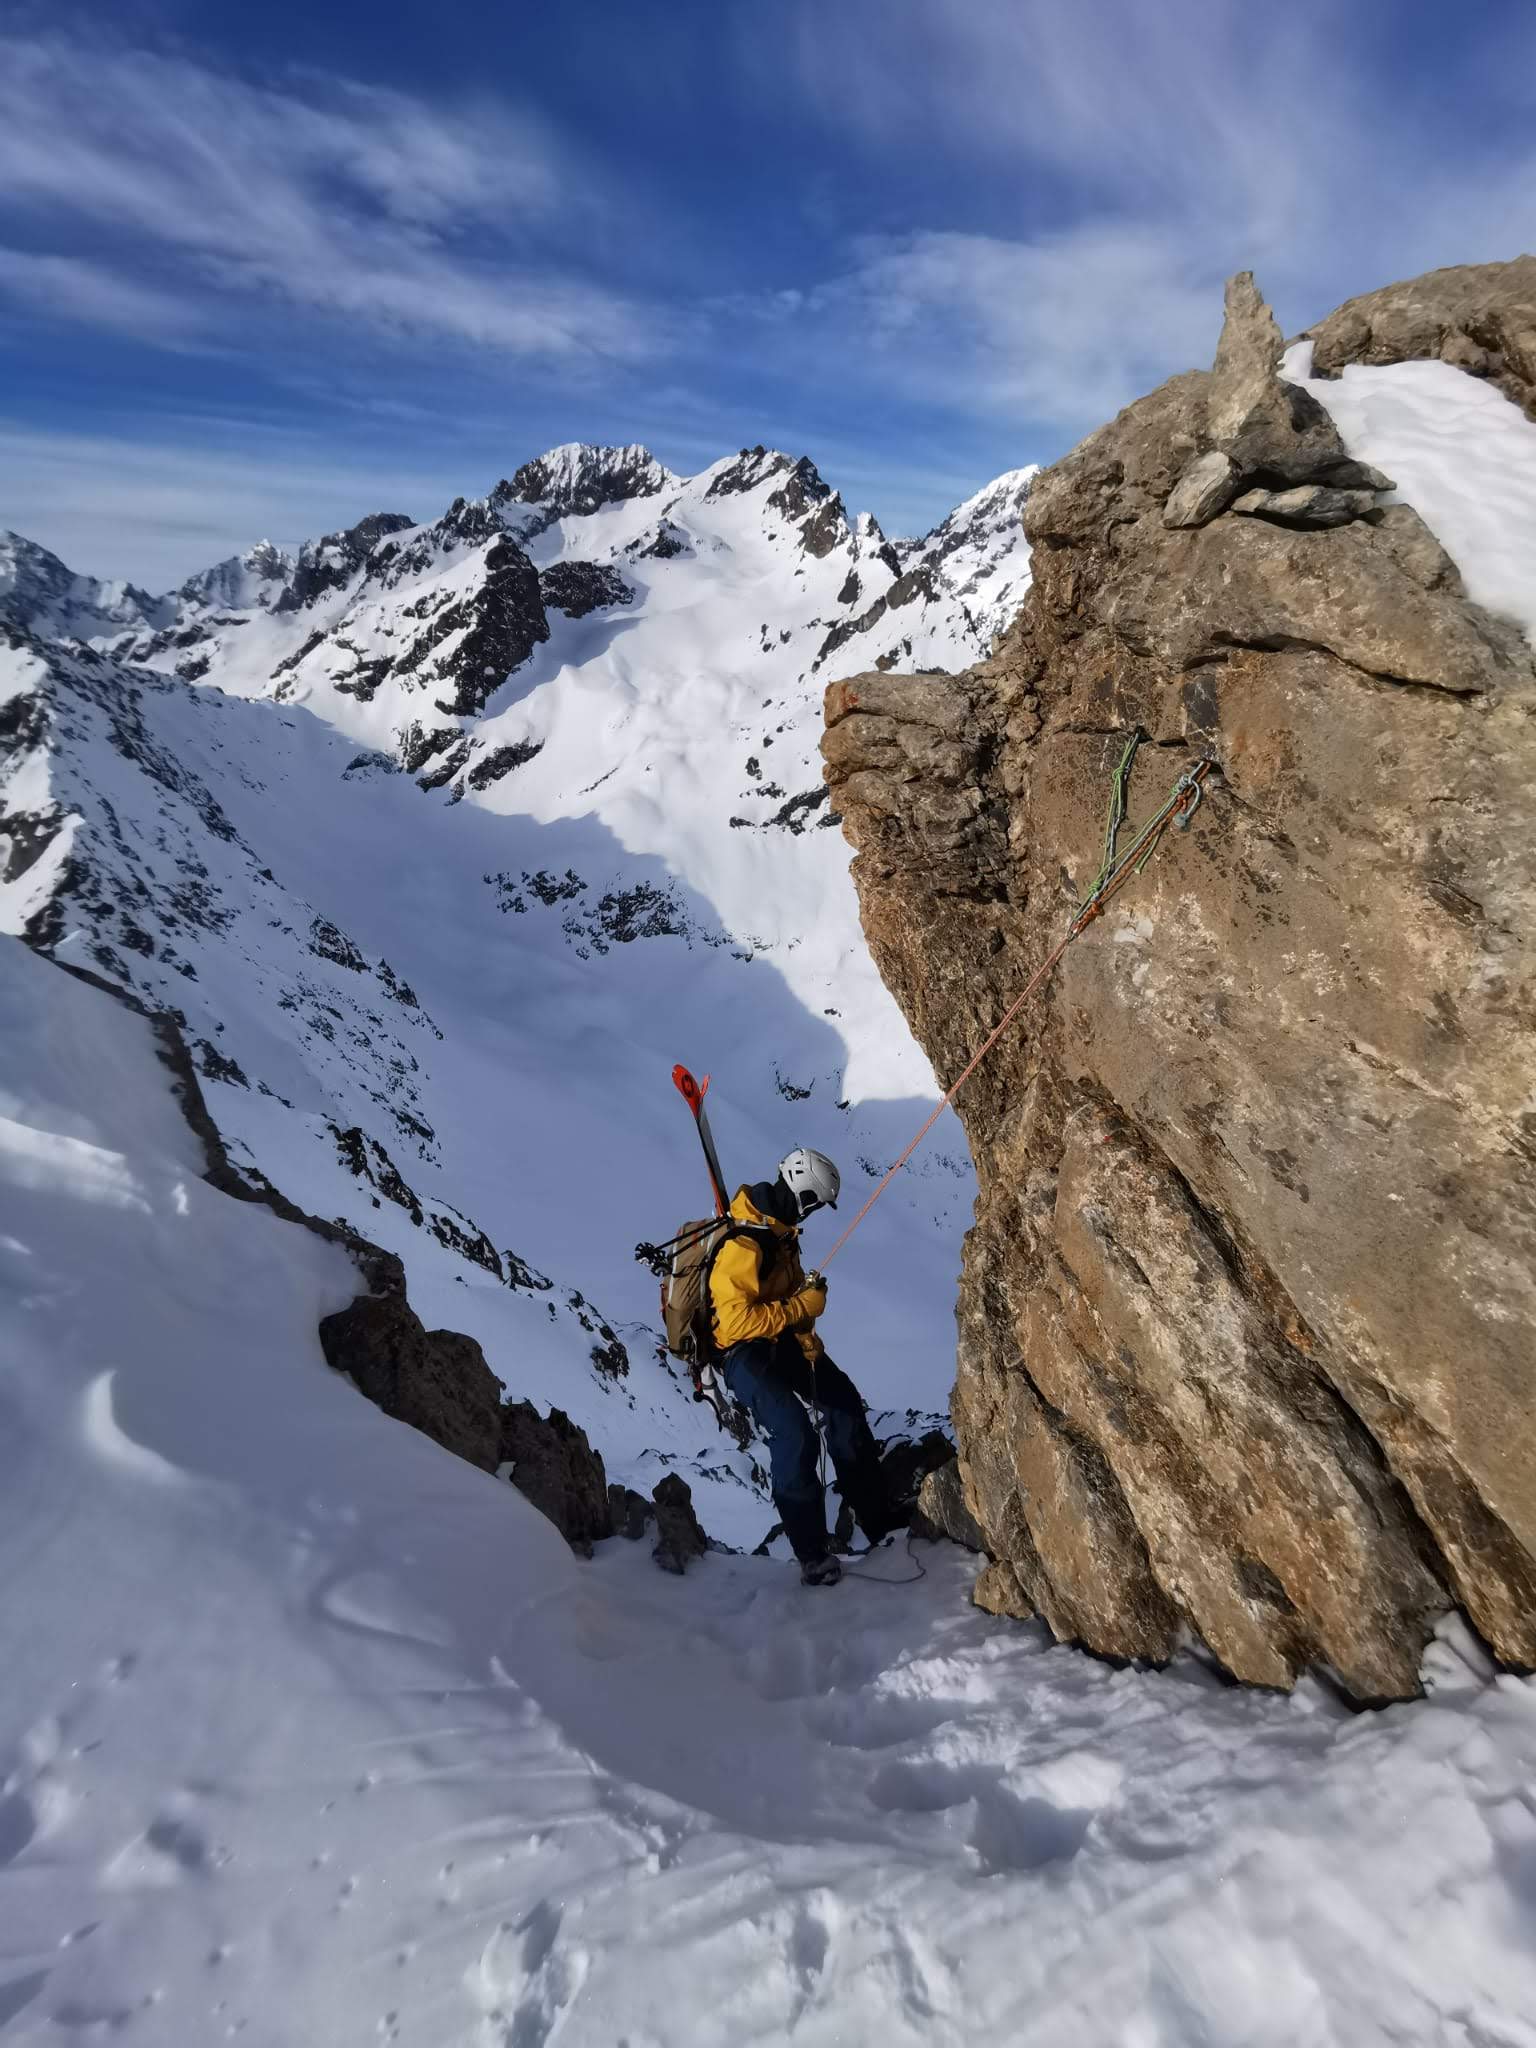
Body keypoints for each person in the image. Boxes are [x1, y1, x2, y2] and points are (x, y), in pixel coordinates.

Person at [709, 1147, 897, 1586]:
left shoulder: (781, 1233)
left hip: (781, 1340)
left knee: (843, 1402)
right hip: (741, 1354)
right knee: (793, 1432)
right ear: (803, 1194)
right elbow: (735, 1323)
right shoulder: (745, 1243)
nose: (812, 1212)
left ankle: (879, 1520)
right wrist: (799, 1309)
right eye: (814, 1203)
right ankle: (812, 1554)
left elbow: (787, 1295)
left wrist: (804, 1329)